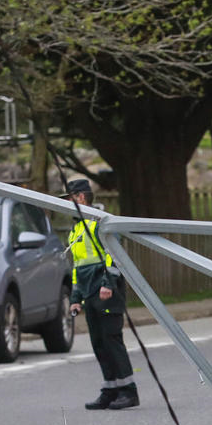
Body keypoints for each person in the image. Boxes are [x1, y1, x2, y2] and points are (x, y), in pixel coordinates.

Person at [64, 176, 136, 410]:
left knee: (112, 340)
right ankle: (110, 389)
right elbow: (77, 267)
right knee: (99, 343)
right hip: (89, 293)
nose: (67, 203)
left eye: (70, 198)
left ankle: (128, 391)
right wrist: (75, 299)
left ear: (81, 198)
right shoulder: (75, 230)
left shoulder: (100, 223)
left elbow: (113, 255)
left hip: (107, 290)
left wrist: (108, 282)